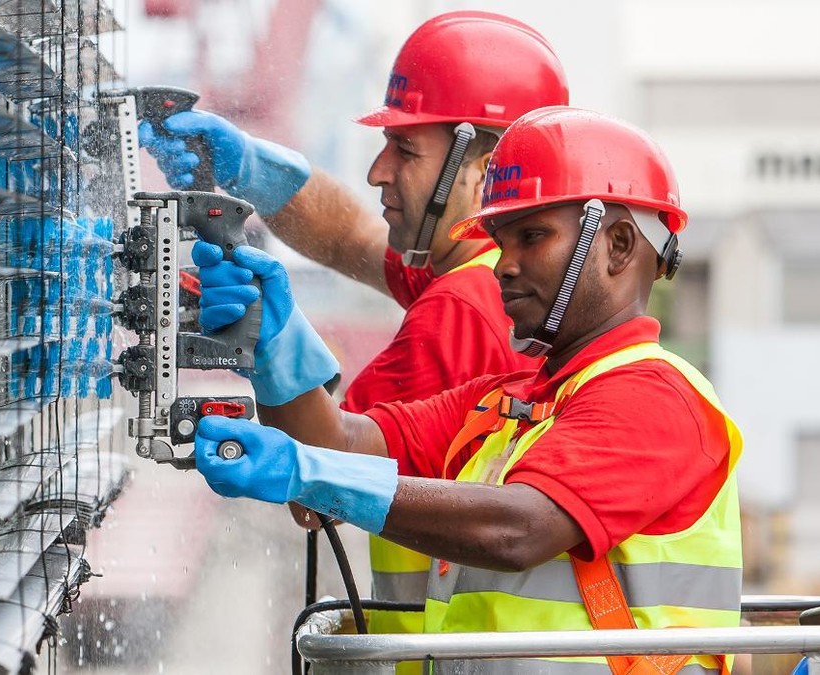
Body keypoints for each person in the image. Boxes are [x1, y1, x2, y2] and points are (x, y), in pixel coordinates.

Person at [189, 107, 742, 675]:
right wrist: (276, 348)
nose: (504, 266)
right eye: (503, 242)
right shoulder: (506, 405)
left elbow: (519, 529)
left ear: (620, 245)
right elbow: (336, 442)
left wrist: (310, 473)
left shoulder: (655, 394)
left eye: (532, 236)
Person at [139, 11, 569, 641]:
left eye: (407, 149)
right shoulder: (491, 277)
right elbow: (356, 239)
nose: (378, 171)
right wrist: (250, 167)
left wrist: (272, 343)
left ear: (484, 170)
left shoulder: (461, 310)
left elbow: (320, 482)